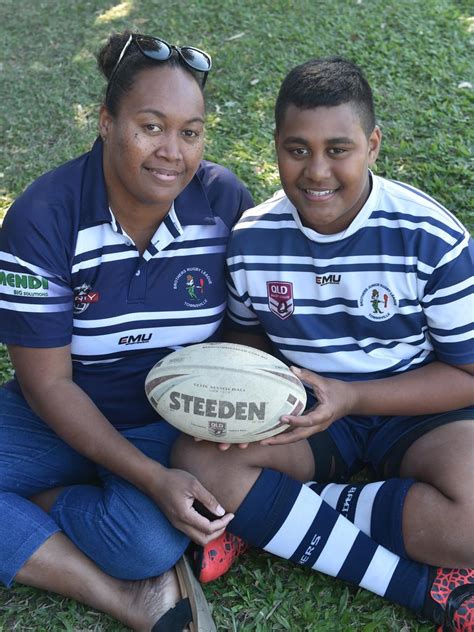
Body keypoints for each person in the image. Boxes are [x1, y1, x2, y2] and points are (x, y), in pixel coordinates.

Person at [172, 57, 474, 630]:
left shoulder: (432, 237)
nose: (316, 171)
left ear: (373, 145)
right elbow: (245, 334)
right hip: (306, 413)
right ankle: (419, 585)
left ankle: (276, 517)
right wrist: (244, 400)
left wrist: (355, 397)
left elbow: (467, 373)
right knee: (196, 461)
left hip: (414, 407)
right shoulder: (252, 240)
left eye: (339, 149)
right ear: (276, 147)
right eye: (297, 149)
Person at [0, 29, 254, 631]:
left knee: (141, 545)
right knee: (137, 537)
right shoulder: (43, 217)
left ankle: (45, 503)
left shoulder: (223, 202)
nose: (173, 151)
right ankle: (123, 598)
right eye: (151, 126)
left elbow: (249, 335)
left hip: (168, 422)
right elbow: (49, 386)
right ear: (106, 121)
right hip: (57, 413)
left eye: (189, 132)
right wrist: (150, 481)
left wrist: (217, 429)